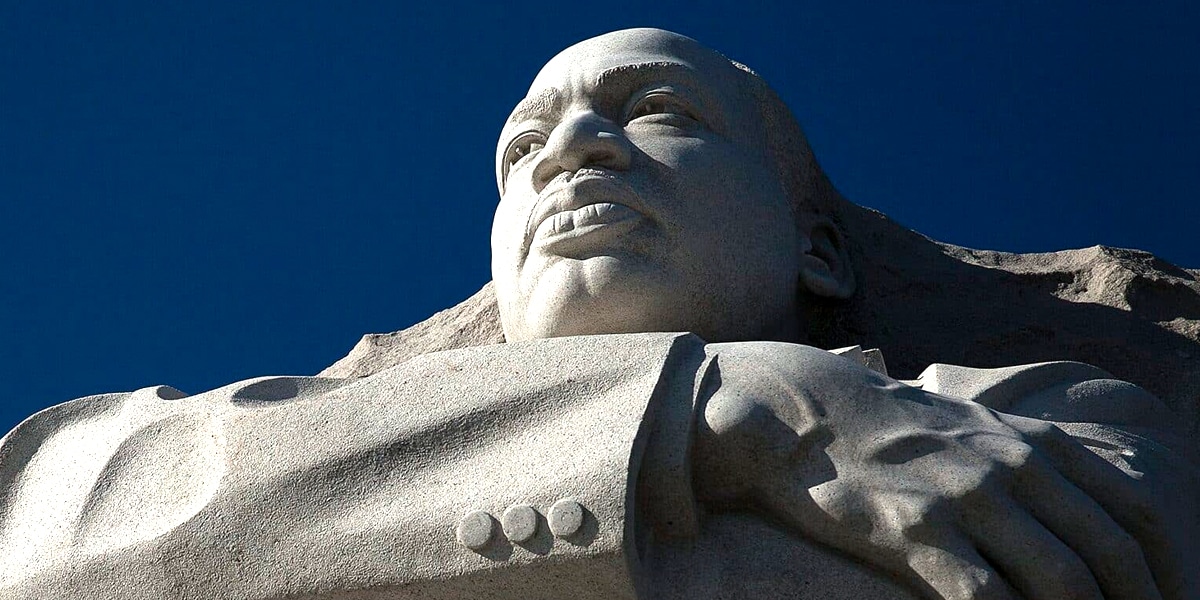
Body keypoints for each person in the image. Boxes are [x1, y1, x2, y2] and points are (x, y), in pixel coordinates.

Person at [0, 28, 1194, 600]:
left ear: (819, 244)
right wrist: (741, 404)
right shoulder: (256, 437)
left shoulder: (1040, 424)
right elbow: (54, 539)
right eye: (521, 148)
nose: (568, 150)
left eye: (658, 109)